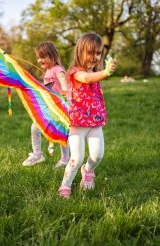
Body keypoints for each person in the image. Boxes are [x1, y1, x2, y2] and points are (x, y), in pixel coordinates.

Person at [58, 33, 116, 198]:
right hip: (78, 124)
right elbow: (87, 79)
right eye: (90, 53)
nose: (94, 57)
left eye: (98, 53)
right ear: (79, 52)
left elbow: (89, 82)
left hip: (95, 122)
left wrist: (102, 72)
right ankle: (65, 185)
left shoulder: (95, 72)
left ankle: (88, 170)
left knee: (97, 155)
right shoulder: (76, 72)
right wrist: (105, 73)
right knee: (76, 157)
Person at [22, 41, 70, 168]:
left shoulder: (57, 69)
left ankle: (65, 159)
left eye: (43, 57)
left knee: (61, 132)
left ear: (52, 56)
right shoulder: (48, 71)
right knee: (35, 127)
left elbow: (62, 80)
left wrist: (65, 91)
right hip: (50, 107)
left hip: (59, 107)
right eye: (38, 57)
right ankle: (37, 155)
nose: (40, 60)